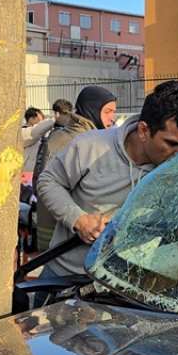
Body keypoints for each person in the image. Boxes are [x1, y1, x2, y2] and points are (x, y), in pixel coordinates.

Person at [36, 80, 178, 277]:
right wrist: (78, 219)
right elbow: (48, 181)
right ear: (143, 131)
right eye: (172, 143)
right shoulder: (90, 146)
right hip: (65, 277)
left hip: (127, 287)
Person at [34, 87, 117, 252]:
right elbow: (47, 185)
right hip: (59, 236)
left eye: (113, 112)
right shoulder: (70, 140)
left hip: (75, 235)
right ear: (92, 109)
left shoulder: (91, 137)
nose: (112, 118)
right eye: (108, 112)